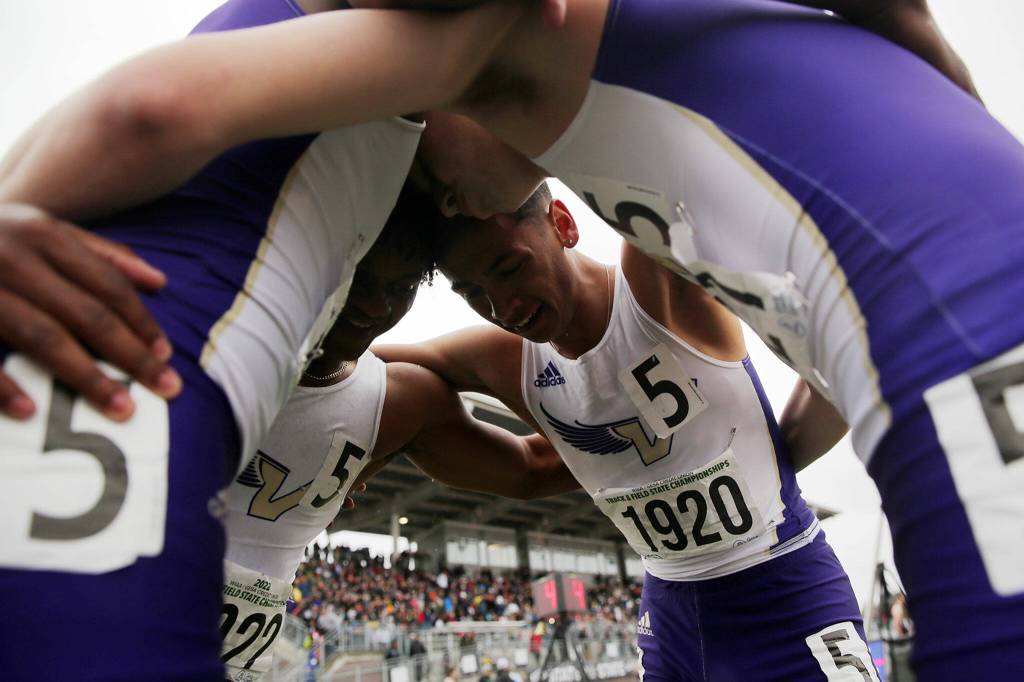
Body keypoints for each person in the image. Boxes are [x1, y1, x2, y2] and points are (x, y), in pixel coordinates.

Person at [0, 0, 1016, 676]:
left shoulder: (629, 247)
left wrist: (791, 437)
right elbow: (383, 375)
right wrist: (322, 421)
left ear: (560, 217)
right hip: (679, 592)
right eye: (470, 282)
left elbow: (148, 109)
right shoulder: (502, 348)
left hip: (781, 561)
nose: (495, 292)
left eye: (501, 259)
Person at [377, 184, 876, 680]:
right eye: (472, 294)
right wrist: (359, 453)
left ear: (564, 224)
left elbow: (659, 162)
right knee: (405, 391)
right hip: (670, 614)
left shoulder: (653, 282)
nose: (502, 308)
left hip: (783, 591)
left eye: (510, 269)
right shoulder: (507, 358)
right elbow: (356, 367)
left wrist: (792, 432)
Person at [219, 186, 577, 680]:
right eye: (359, 276)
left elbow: (533, 469)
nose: (374, 303)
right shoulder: (208, 348)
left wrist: (681, 451)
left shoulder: (396, 404)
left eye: (402, 286)